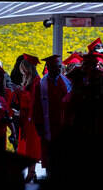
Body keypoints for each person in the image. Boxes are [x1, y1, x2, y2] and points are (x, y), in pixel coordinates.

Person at [33, 54, 70, 178]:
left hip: (63, 124)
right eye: (54, 67)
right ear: (49, 67)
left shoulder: (66, 82)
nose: (58, 69)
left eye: (59, 67)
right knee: (49, 156)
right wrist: (38, 125)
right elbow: (37, 106)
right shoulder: (41, 85)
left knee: (62, 155)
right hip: (48, 126)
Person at [13, 54, 42, 182]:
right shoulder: (29, 80)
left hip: (31, 117)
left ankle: (31, 172)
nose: (22, 71)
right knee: (26, 146)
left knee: (31, 146)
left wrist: (21, 92)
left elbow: (34, 100)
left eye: (24, 69)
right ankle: (31, 171)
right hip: (25, 117)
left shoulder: (36, 81)